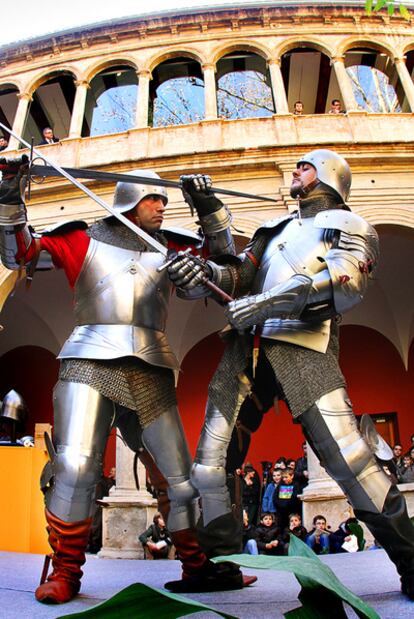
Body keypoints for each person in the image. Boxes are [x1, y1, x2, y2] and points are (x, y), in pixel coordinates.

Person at [0, 159, 253, 603]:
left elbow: (224, 266)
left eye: (163, 199)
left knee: (179, 478)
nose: (161, 206)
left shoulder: (173, 247)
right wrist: (9, 201)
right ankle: (66, 572)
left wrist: (209, 207)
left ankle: (197, 566)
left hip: (152, 365)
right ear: (129, 201)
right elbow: (17, 254)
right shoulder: (81, 238)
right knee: (76, 467)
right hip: (88, 358)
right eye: (153, 198)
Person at [168, 148, 414, 600]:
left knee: (353, 464)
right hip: (245, 353)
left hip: (305, 346)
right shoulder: (275, 230)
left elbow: (346, 283)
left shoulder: (352, 226)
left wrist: (266, 304)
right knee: (209, 468)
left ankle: (413, 563)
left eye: (305, 166)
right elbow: (237, 276)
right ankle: (219, 567)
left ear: (327, 175)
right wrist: (198, 269)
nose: (296, 171)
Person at [87, 467, 116, 554]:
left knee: (96, 526)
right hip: (97, 505)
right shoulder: (105, 481)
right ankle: (93, 546)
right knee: (95, 527)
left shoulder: (104, 481)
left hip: (97, 505)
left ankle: (93, 546)